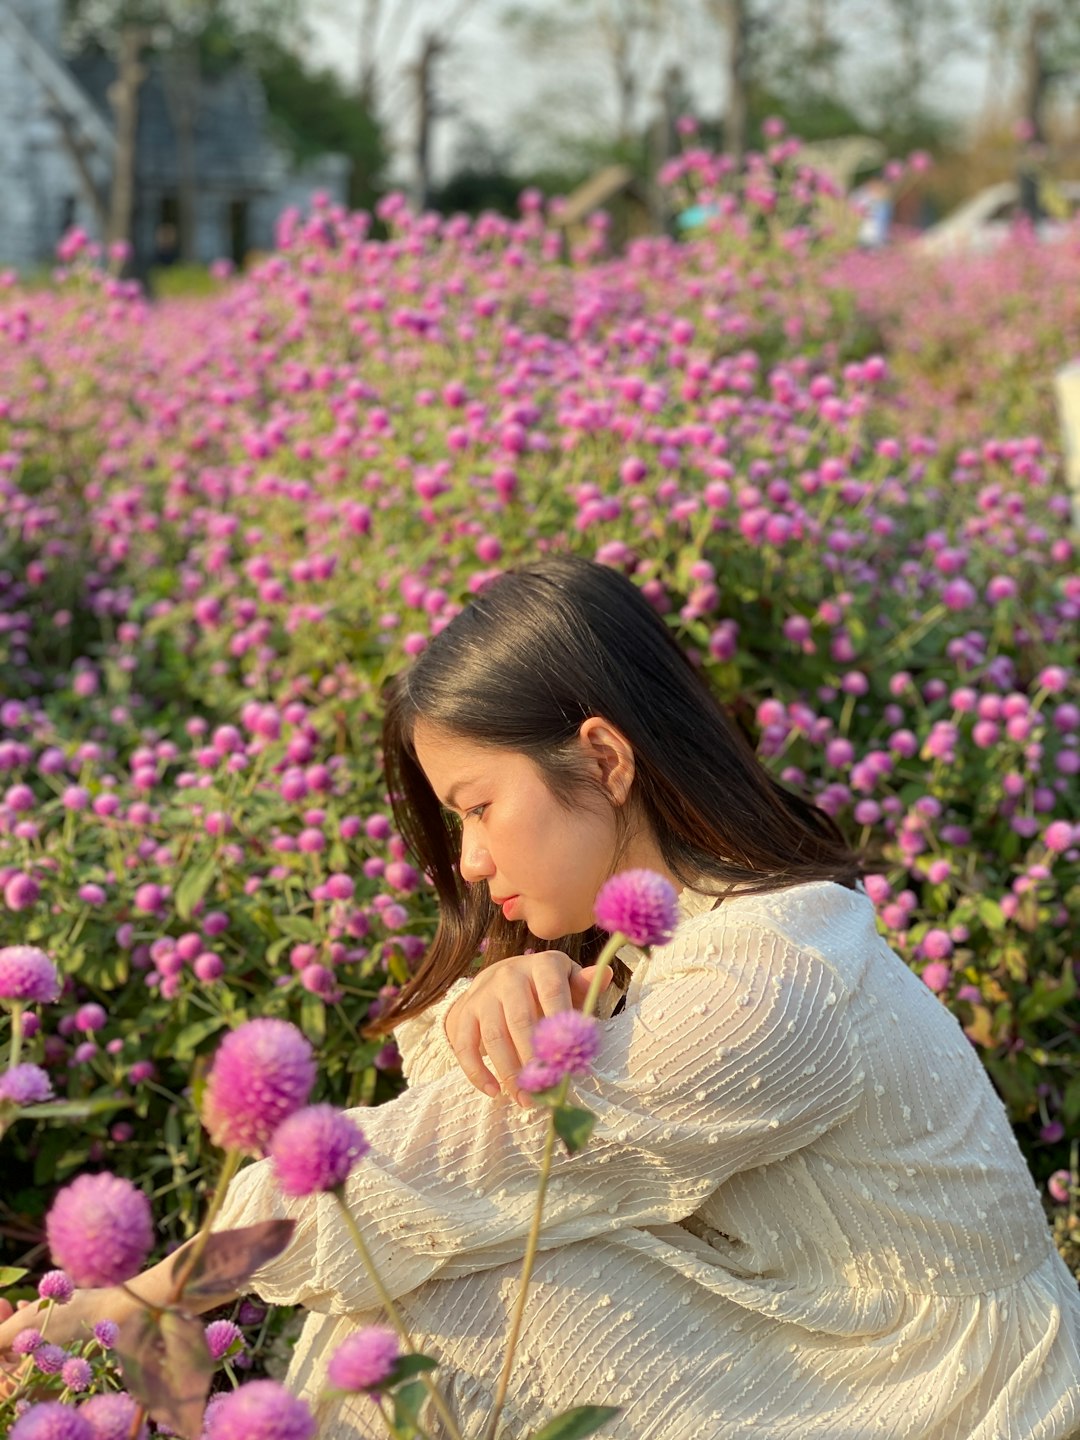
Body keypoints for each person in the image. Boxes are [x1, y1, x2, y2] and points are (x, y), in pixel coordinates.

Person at [2, 554, 1079, 1438]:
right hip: (834, 1335)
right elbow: (470, 1132)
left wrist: (138, 1299)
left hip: (947, 1395)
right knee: (441, 1285)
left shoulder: (767, 982)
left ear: (603, 758)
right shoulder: (700, 934)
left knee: (436, 1305)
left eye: (476, 807)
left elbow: (442, 1169)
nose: (467, 861)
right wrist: (511, 980)